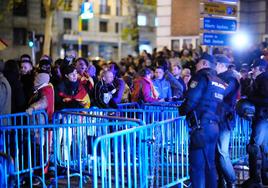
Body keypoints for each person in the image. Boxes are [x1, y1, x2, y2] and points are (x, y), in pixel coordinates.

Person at [179, 53, 226, 188]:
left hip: (201, 127)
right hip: (214, 126)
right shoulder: (220, 82)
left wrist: (181, 111)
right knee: (209, 165)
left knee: (197, 167)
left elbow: (191, 100)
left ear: (205, 64)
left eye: (198, 63)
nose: (196, 65)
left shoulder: (201, 77)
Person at [214, 55, 240, 188]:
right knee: (218, 152)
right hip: (219, 118)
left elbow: (221, 94)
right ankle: (222, 181)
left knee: (222, 152)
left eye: (215, 64)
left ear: (220, 65)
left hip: (224, 119)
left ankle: (231, 180)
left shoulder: (230, 79)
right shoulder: (224, 77)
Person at [242, 59, 268, 187]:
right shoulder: (262, 79)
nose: (253, 71)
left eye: (254, 68)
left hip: (262, 117)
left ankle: (254, 179)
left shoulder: (263, 79)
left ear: (259, 68)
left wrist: (249, 98)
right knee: (264, 149)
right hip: (264, 118)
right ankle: (264, 177)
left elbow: (265, 99)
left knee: (253, 147)